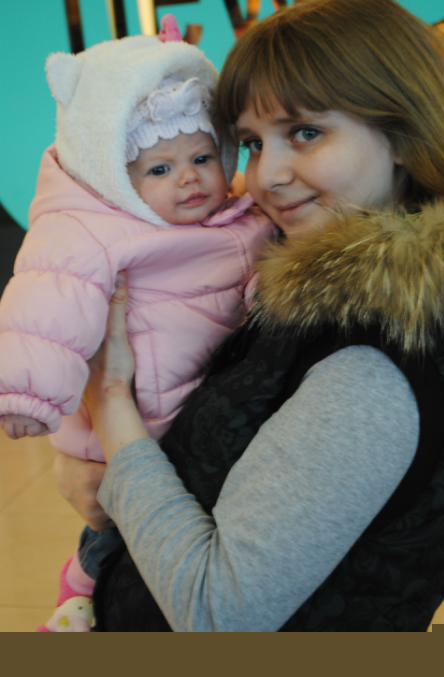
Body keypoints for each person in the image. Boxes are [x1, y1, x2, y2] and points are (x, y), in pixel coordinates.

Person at [53, 0, 444, 631]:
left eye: (305, 133)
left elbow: (217, 613)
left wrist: (110, 404)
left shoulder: (374, 362)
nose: (267, 176)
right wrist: (103, 476)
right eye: (251, 144)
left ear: (403, 132)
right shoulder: (300, 281)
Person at [0, 16, 273, 631]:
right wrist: (28, 393)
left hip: (192, 416)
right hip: (133, 426)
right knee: (119, 531)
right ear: (114, 178)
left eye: (202, 157)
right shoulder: (92, 230)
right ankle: (79, 599)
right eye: (159, 170)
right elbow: (46, 303)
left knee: (163, 529)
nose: (189, 178)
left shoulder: (240, 215)